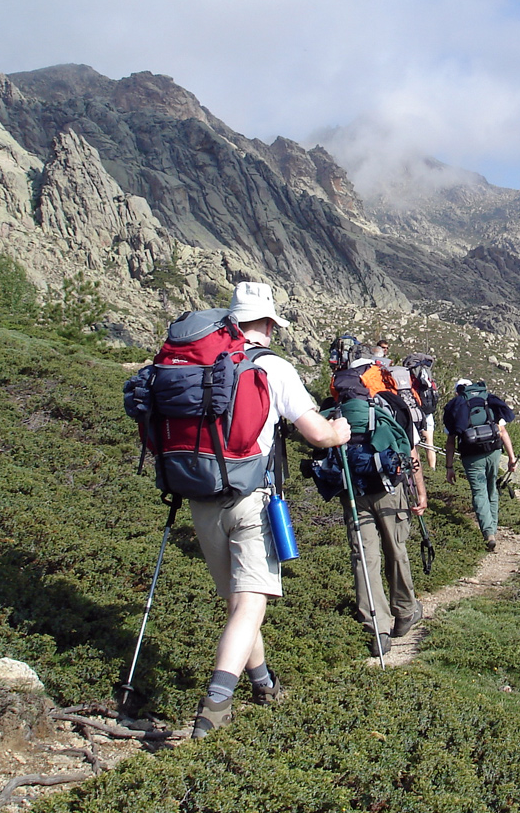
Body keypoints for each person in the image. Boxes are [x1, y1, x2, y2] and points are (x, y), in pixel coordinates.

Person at [191, 282, 350, 739]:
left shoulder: (202, 361)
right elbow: (316, 433)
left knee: (238, 602)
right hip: (251, 498)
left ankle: (263, 684)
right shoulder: (272, 367)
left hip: (201, 496)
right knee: (250, 604)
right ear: (267, 324)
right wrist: (338, 432)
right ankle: (216, 705)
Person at [333, 345, 428, 656]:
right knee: (396, 550)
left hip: (354, 491)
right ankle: (405, 611)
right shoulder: (391, 402)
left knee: (365, 557)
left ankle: (377, 627)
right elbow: (410, 452)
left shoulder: (337, 407)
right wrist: (420, 491)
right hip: (389, 489)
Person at [442, 379, 517, 551]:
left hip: (471, 455)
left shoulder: (456, 406)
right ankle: (493, 528)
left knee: (479, 492)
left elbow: (450, 442)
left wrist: (449, 467)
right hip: (494, 451)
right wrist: (511, 458)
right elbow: (502, 431)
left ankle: (488, 533)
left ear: (458, 391)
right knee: (492, 488)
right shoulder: (486, 400)